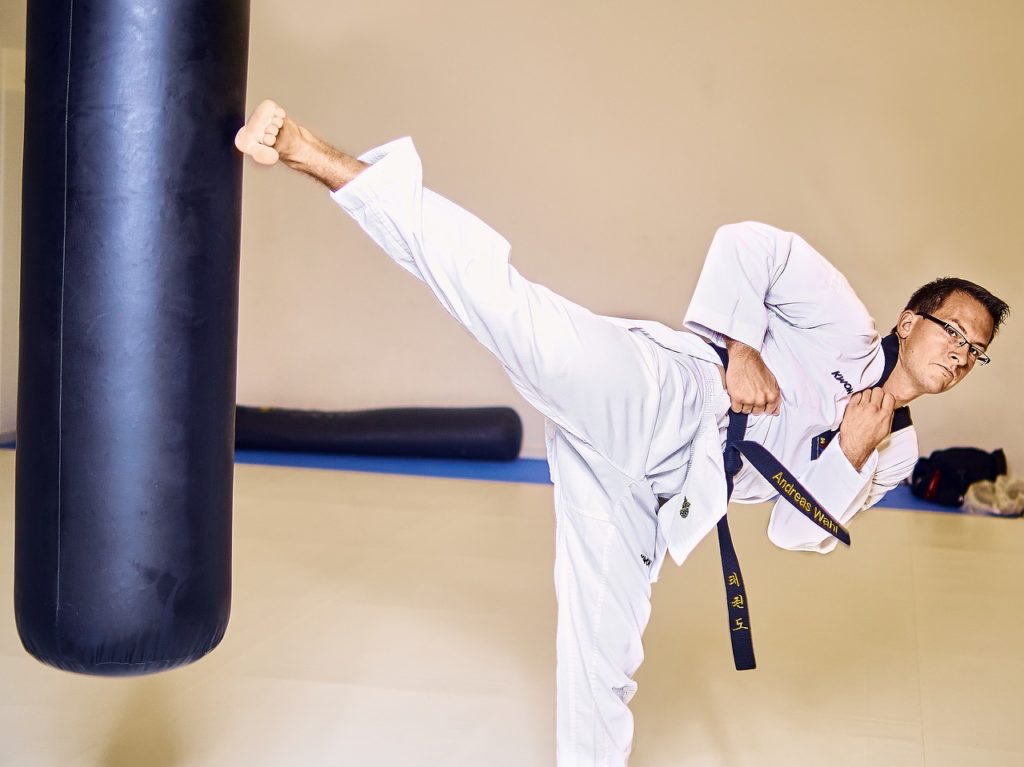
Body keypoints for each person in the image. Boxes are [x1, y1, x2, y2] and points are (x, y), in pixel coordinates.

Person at [235, 100, 1010, 766]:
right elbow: (750, 242)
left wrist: (850, 453)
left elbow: (791, 531)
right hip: (671, 395)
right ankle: (318, 155)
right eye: (954, 332)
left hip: (664, 490)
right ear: (911, 320)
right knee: (508, 311)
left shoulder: (900, 454)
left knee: (602, 659)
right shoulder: (843, 319)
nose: (961, 355)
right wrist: (740, 347)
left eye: (976, 352)